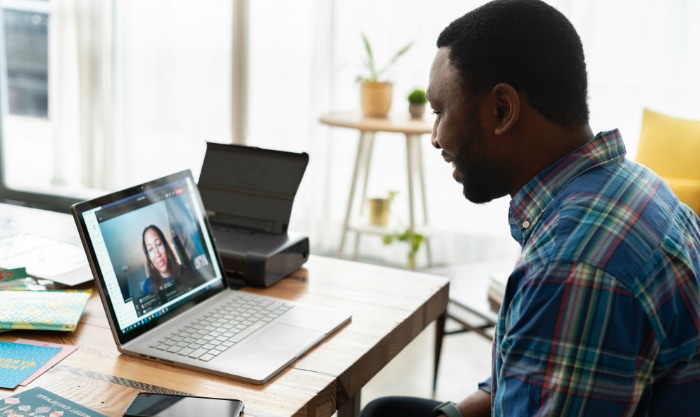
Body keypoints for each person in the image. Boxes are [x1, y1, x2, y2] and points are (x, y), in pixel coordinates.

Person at [360, 1, 700, 416]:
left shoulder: (573, 264)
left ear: (502, 110)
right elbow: (535, 373)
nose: (435, 137)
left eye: (440, 112)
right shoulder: (633, 186)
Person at [141, 224, 189, 295]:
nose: (157, 254)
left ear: (166, 246)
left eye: (159, 244)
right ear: (149, 257)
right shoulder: (148, 286)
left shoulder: (185, 271)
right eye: (150, 249)